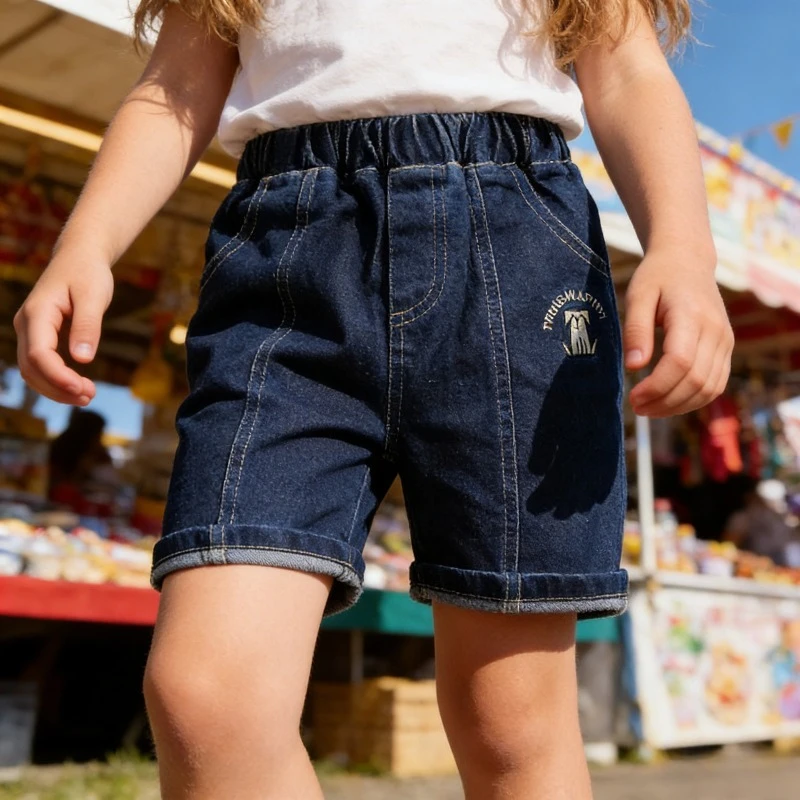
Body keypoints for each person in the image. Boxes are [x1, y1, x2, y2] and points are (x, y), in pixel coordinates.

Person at [14, 1, 733, 797]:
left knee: (511, 724)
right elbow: (176, 81)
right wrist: (84, 243)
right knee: (206, 701)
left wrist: (685, 251)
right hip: (285, 269)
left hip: (513, 257)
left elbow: (628, 68)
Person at [48, 408, 114, 511]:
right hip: (60, 504)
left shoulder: (98, 453)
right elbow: (62, 482)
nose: (101, 436)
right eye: (100, 432)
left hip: (66, 505)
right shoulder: (64, 448)